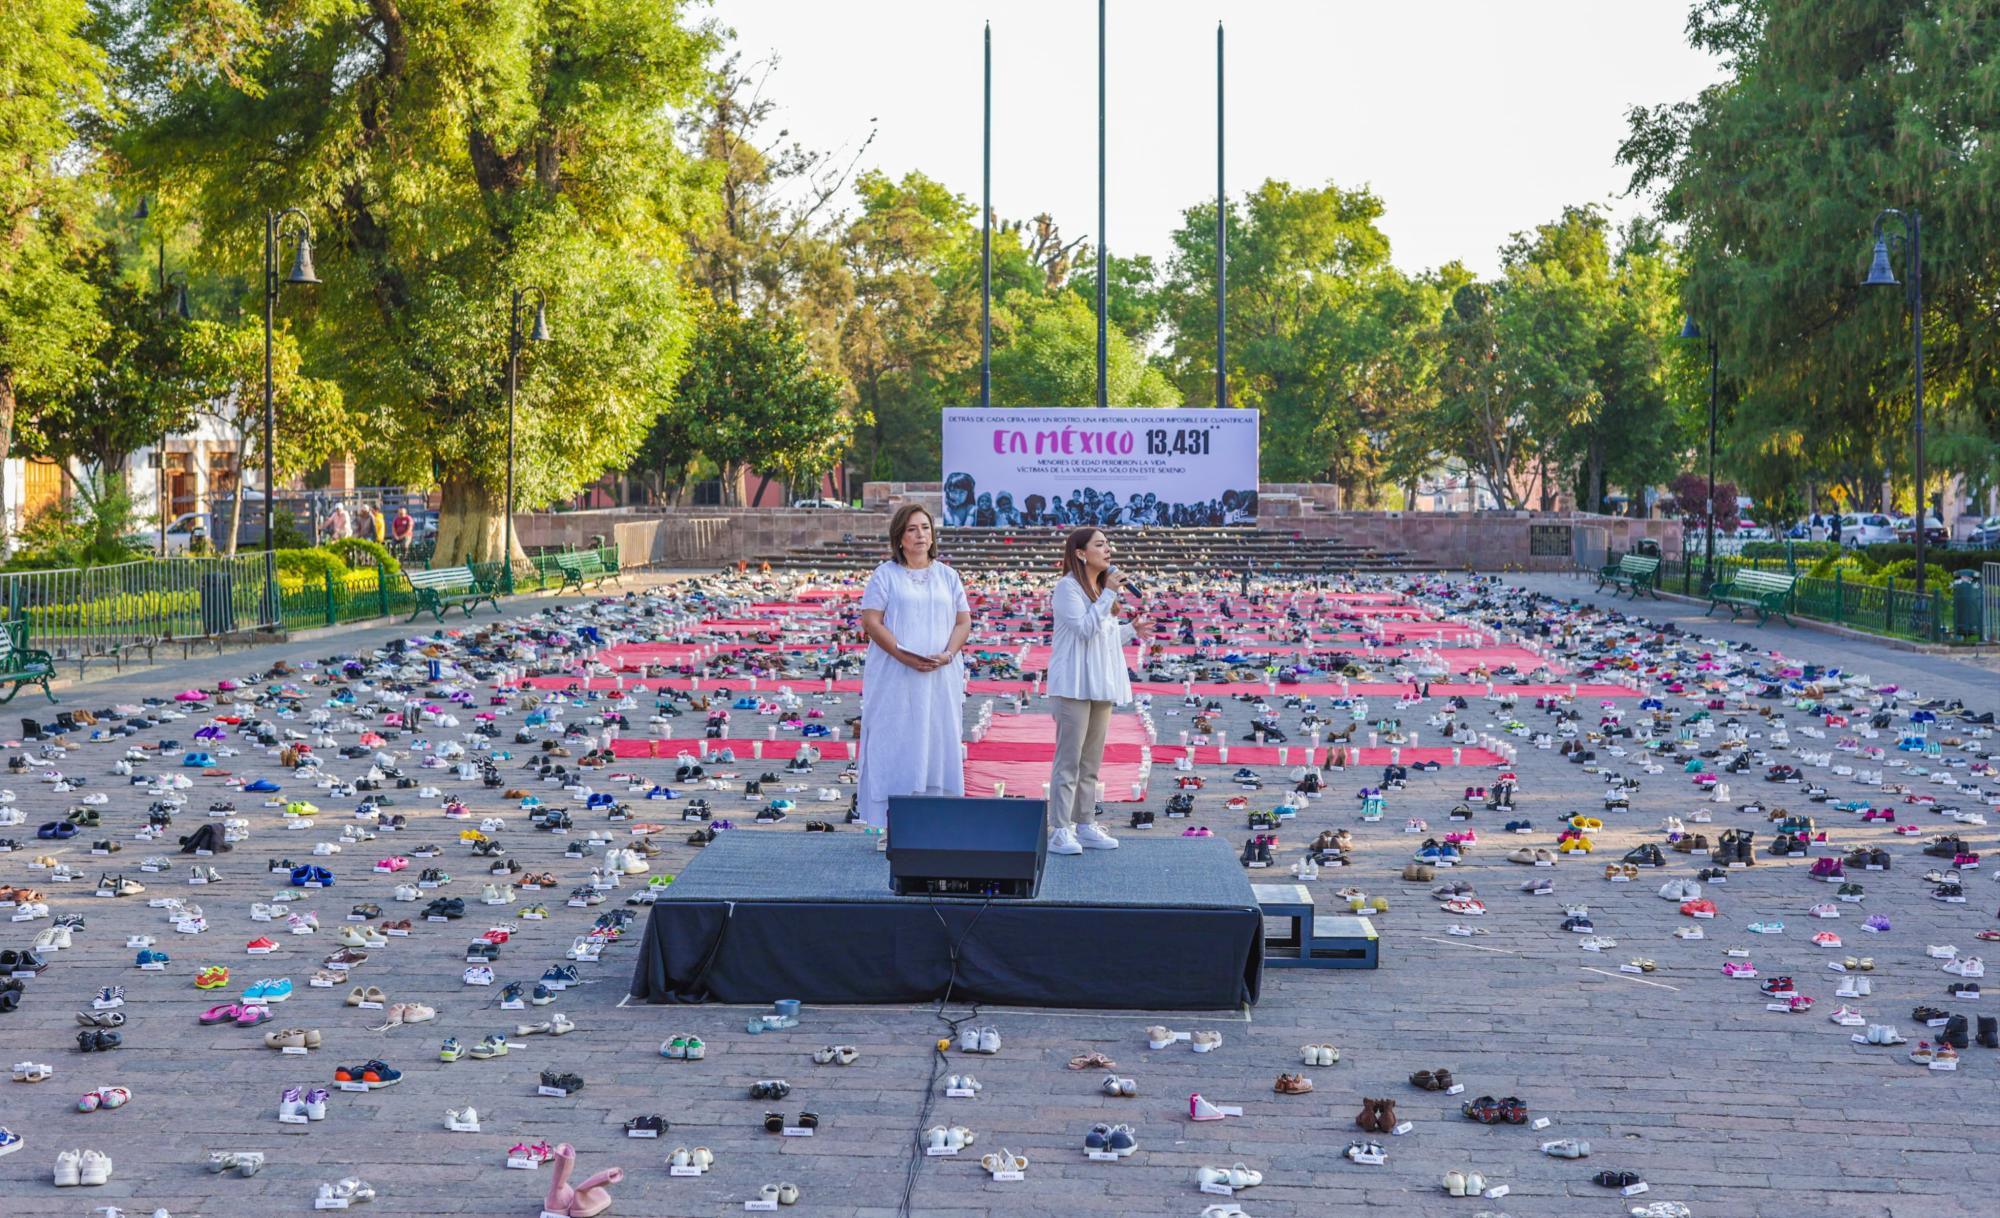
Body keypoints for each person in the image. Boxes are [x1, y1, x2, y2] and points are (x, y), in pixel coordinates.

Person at [855, 504, 972, 829]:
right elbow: (872, 621)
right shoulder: (885, 575)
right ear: (900, 537)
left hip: (940, 674)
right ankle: (891, 825)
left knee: (935, 739)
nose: (920, 535)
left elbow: (963, 621)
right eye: (912, 529)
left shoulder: (948, 576)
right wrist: (903, 655)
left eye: (925, 528)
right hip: (895, 673)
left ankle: (934, 821)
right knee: (896, 739)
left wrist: (948, 654)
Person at [1044, 527, 1154, 856]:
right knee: (1069, 760)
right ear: (1080, 553)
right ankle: (1059, 829)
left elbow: (1103, 638)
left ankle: (1085, 824)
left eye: (1108, 544)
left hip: (1099, 683)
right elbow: (1083, 630)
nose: (1108, 550)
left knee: (1091, 761)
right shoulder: (1067, 589)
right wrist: (1108, 593)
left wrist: (1130, 630)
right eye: (1100, 545)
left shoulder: (1098, 589)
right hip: (1073, 685)